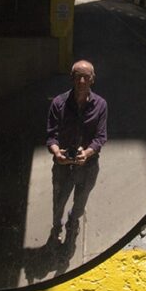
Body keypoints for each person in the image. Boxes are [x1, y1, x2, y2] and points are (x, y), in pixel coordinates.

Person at [46, 59, 108, 243]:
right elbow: (51, 136)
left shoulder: (101, 105)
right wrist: (57, 153)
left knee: (80, 203)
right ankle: (56, 227)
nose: (82, 82)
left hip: (88, 166)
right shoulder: (58, 103)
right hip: (63, 166)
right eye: (78, 77)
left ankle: (73, 223)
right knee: (58, 203)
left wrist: (87, 153)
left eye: (86, 77)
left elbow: (101, 137)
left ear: (92, 79)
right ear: (71, 78)